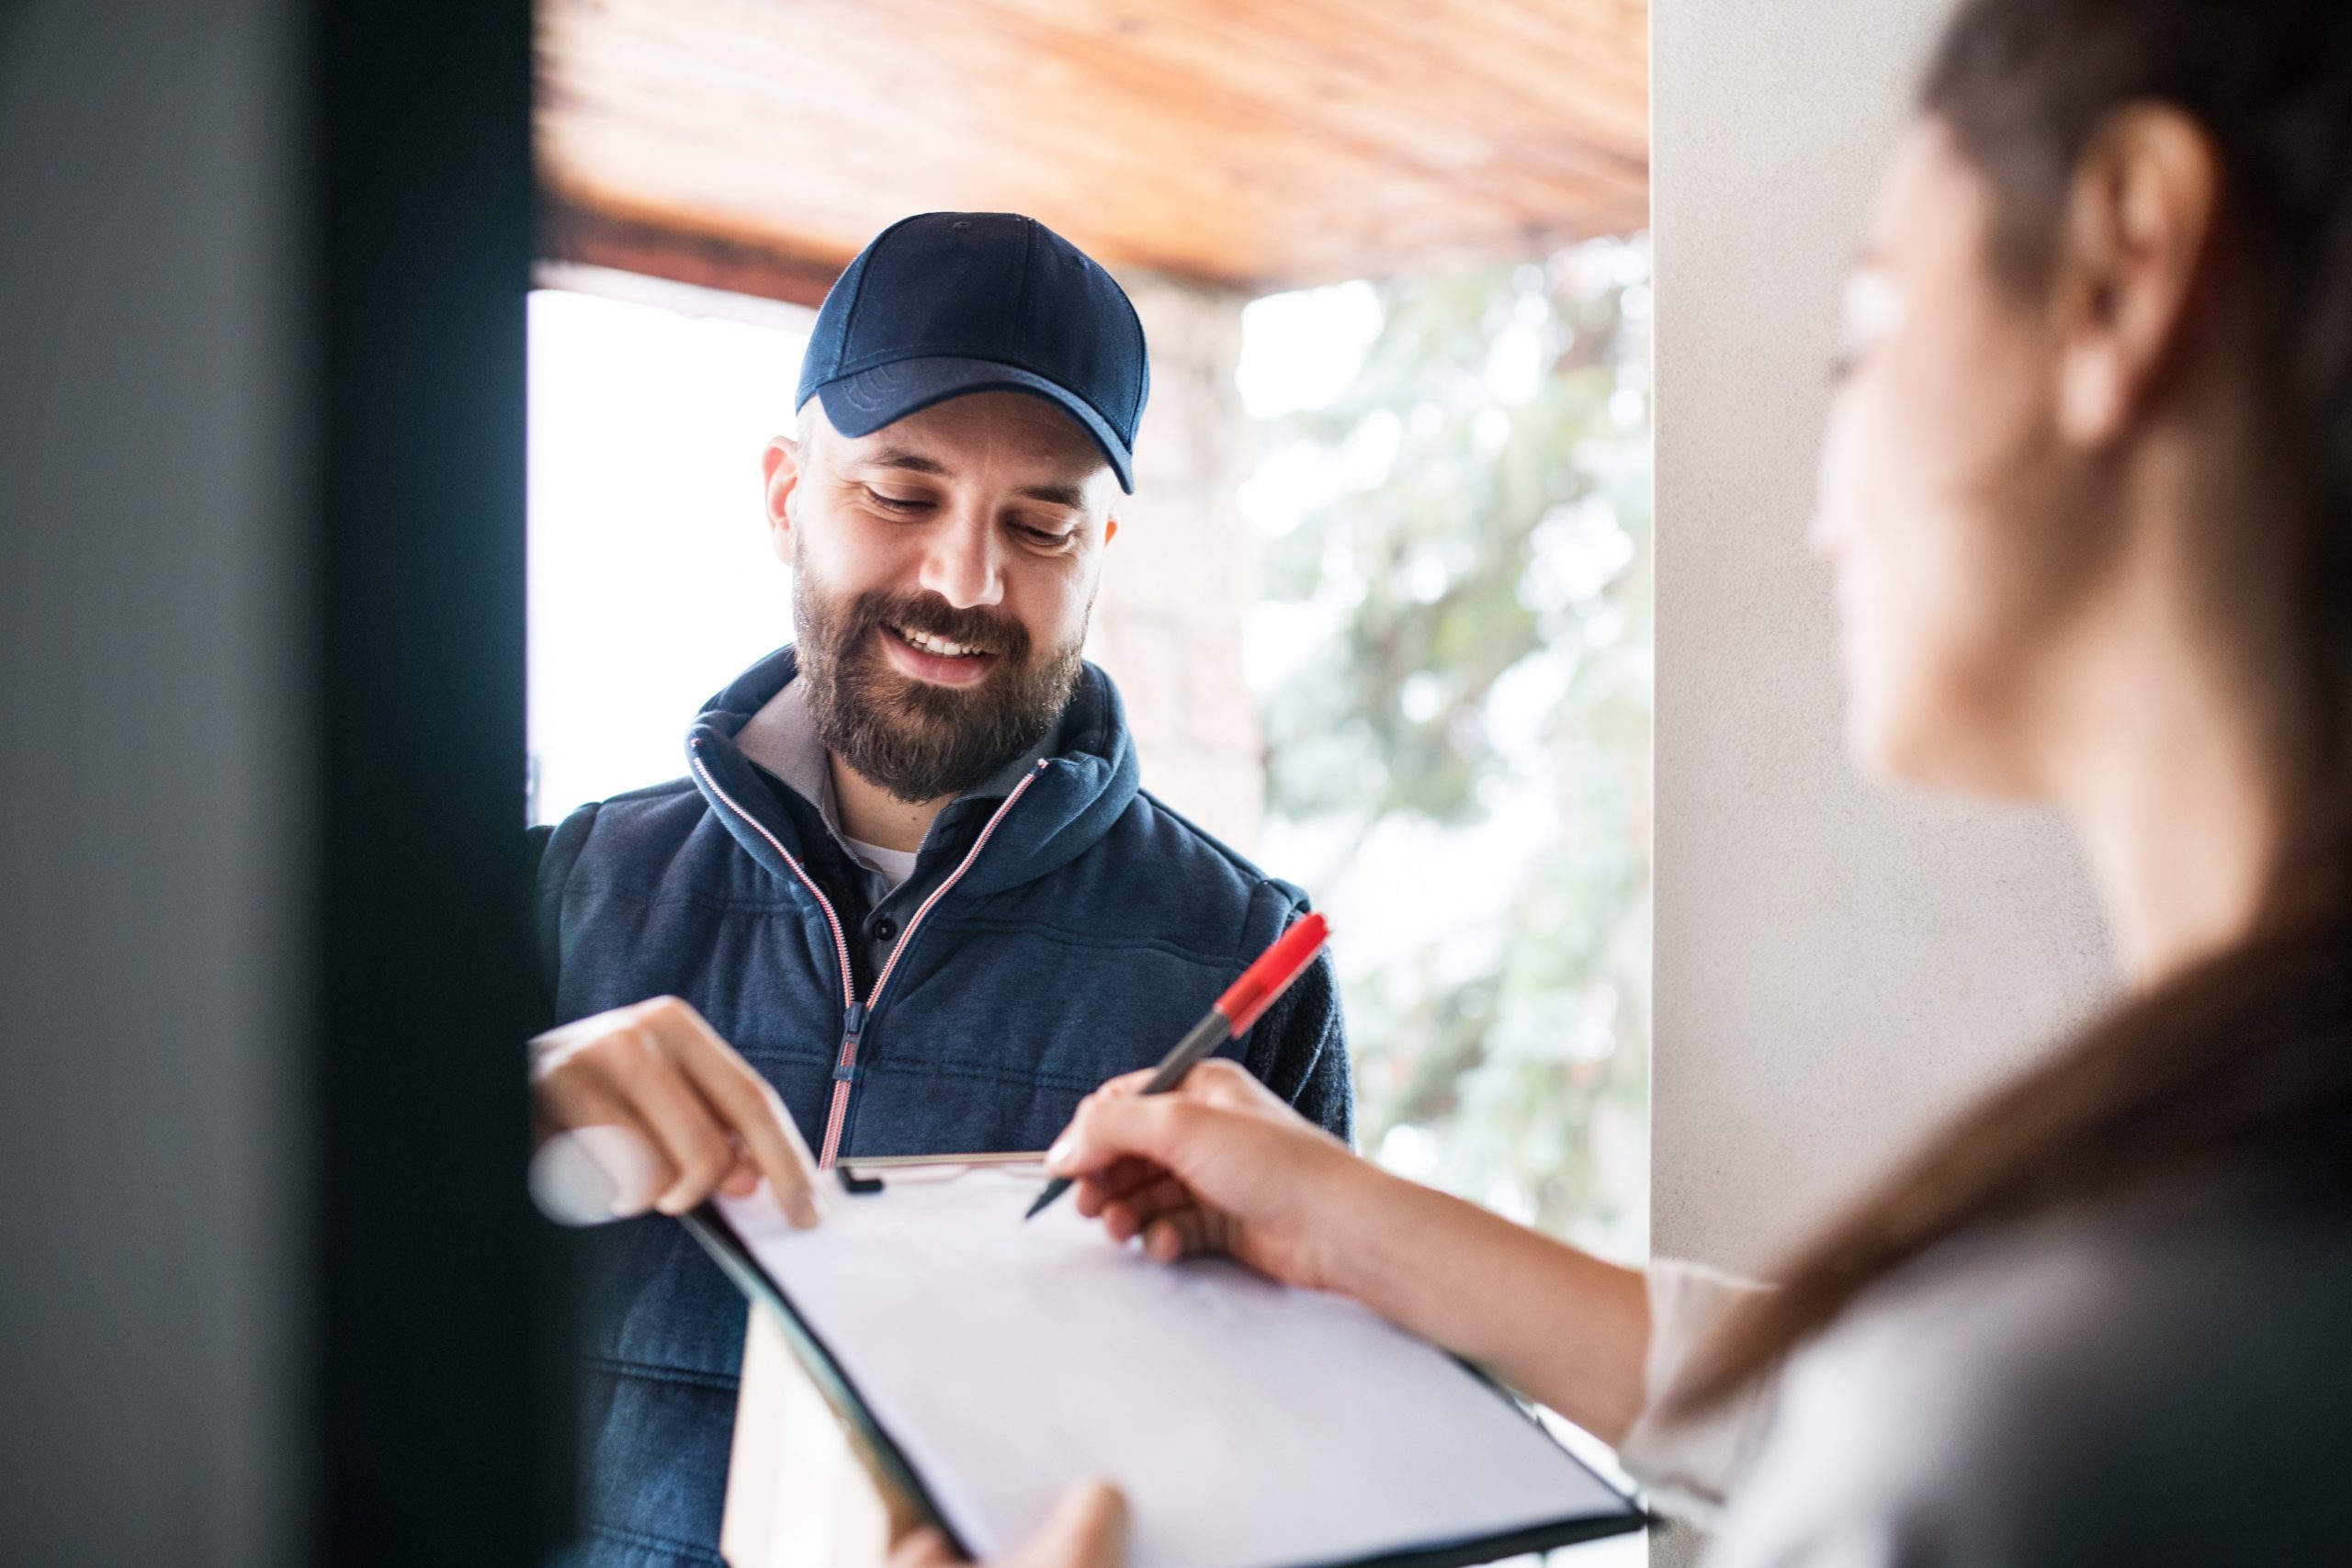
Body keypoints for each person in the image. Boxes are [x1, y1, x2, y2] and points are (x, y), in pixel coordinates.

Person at [910, 1, 2352, 1562]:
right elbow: (1837, 1397)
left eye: (1860, 339)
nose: (1822, 505)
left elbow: (1927, 1432)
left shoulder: (2042, 1418)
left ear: (2127, 263)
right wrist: (1349, 1226)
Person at [526, 212, 1353, 1566]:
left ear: (1102, 552)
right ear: (788, 493)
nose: (965, 580)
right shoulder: (575, 889)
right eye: (901, 496)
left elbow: (1307, 1500)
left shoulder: (1245, 959)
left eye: (1040, 523)